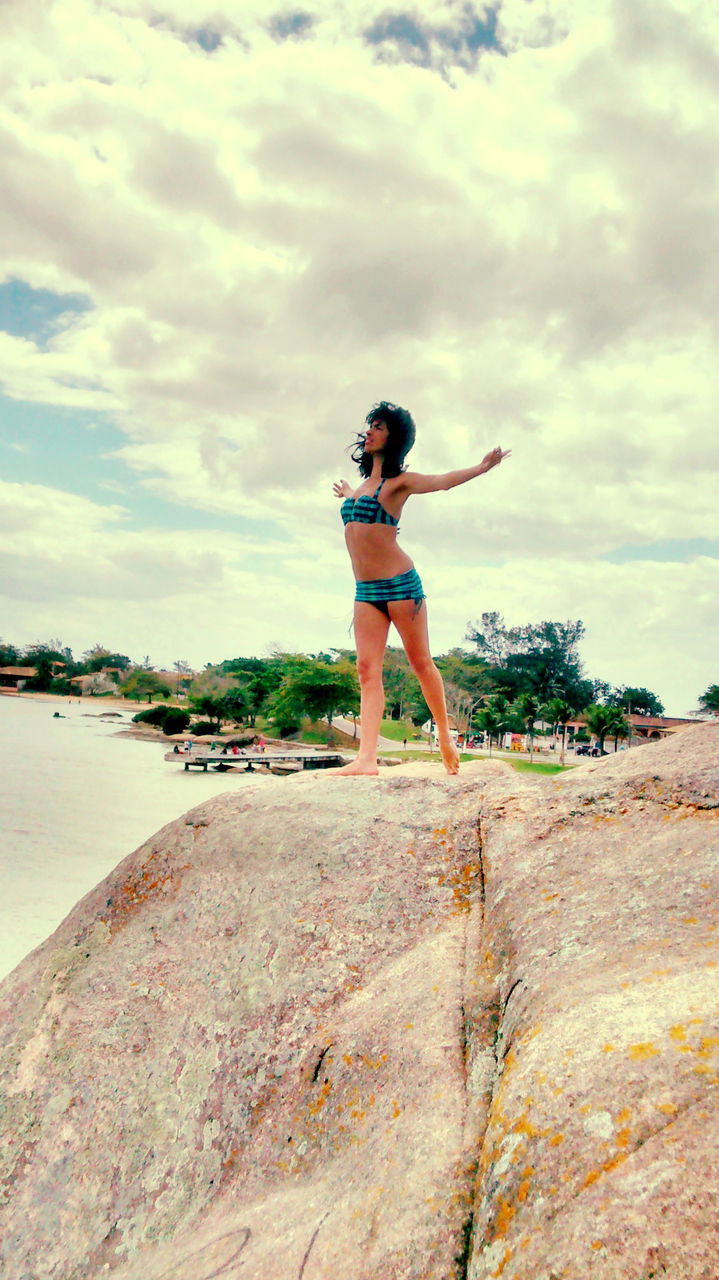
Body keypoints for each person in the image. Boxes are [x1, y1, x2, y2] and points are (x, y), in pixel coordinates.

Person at [332, 401, 509, 776]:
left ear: (393, 437)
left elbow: (442, 481)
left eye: (378, 427)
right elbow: (360, 508)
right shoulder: (363, 487)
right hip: (365, 591)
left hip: (400, 586)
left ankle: (445, 736)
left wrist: (481, 467)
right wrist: (350, 492)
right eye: (370, 426)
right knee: (366, 670)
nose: (370, 431)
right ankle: (366, 760)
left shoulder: (399, 484)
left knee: (420, 662)